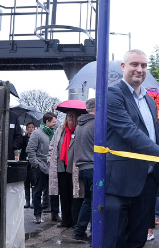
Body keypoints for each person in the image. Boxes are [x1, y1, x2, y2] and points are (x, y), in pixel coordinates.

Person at [104, 49, 159, 248]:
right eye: (134, 64)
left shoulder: (150, 100)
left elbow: (154, 137)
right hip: (119, 182)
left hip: (147, 181)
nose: (139, 69)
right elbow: (130, 132)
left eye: (143, 66)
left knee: (138, 240)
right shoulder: (112, 94)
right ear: (123, 66)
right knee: (115, 240)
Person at [49, 108, 84, 226]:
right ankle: (65, 220)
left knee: (75, 195)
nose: (71, 118)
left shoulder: (79, 130)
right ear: (66, 117)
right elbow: (52, 146)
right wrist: (49, 160)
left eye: (73, 116)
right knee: (64, 195)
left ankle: (75, 221)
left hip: (74, 168)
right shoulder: (60, 130)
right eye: (69, 115)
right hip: (60, 167)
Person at [27, 112, 58, 224]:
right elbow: (30, 150)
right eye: (54, 121)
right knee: (37, 191)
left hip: (52, 166)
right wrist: (36, 164)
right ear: (47, 122)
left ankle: (55, 213)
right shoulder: (37, 134)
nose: (56, 123)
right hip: (40, 166)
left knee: (54, 191)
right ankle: (37, 214)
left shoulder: (55, 133)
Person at [72, 98, 96, 242]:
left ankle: (79, 231)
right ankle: (95, 235)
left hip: (82, 168)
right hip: (94, 167)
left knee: (88, 200)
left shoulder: (80, 125)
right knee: (96, 201)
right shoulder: (95, 124)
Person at [21, 121, 36, 208]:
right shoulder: (23, 138)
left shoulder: (36, 138)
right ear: (27, 129)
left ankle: (34, 201)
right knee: (26, 182)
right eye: (29, 127)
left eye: (32, 127)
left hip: (33, 163)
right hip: (25, 162)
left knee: (33, 182)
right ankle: (27, 201)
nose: (30, 129)